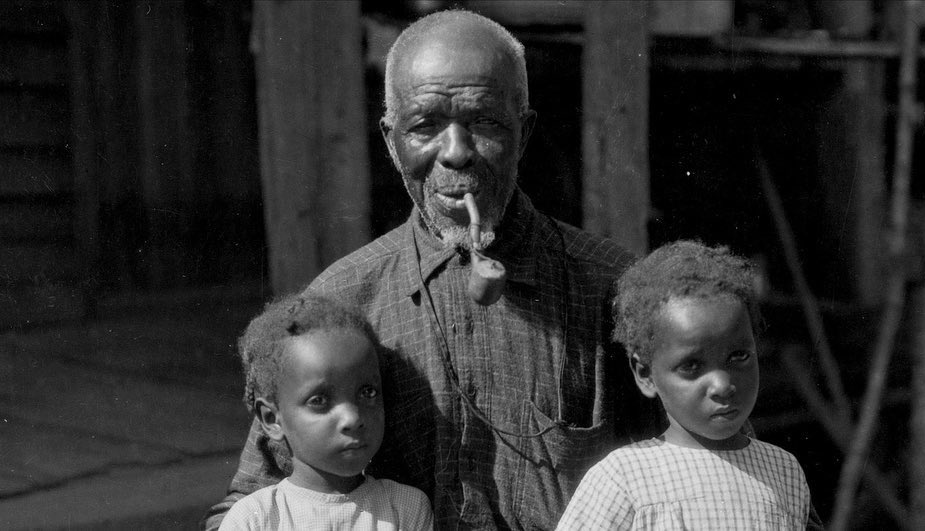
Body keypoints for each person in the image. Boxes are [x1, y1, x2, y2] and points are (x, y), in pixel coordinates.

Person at [204, 9, 658, 530]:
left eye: (485, 121)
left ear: (525, 132)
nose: (457, 153)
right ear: (391, 141)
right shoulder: (345, 302)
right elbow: (254, 500)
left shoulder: (611, 290)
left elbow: (694, 473)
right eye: (424, 126)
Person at [556, 240, 813, 530]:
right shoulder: (626, 477)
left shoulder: (784, 470)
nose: (721, 385)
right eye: (691, 366)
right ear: (645, 374)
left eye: (738, 356)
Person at [219, 294, 433, 530]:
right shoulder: (255, 519)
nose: (352, 418)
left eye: (368, 393)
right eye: (319, 400)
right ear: (272, 419)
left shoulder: (405, 509)